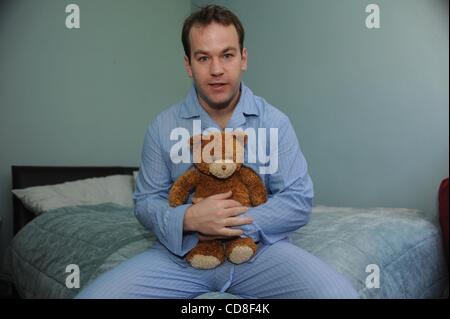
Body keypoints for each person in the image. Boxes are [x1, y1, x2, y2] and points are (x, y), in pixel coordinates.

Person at [76, 5, 359, 299]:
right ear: (188, 65)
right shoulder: (162, 127)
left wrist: (232, 223)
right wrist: (189, 220)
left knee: (339, 295)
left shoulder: (275, 122)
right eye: (203, 58)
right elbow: (147, 201)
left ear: (243, 58)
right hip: (179, 258)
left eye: (227, 55)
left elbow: (298, 200)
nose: (216, 70)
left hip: (259, 255)